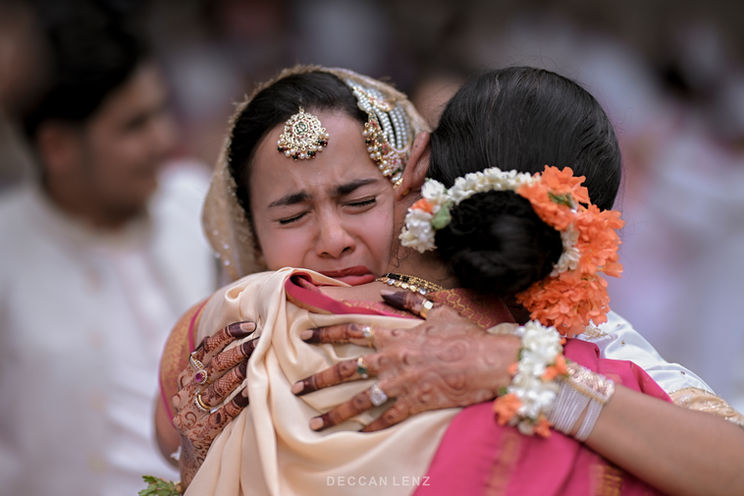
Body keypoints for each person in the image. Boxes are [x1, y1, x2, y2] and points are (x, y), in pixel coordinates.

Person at [158, 66, 744, 495]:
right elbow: (167, 438)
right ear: (250, 234)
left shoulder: (573, 335)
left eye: (360, 200)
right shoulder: (239, 332)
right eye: (291, 216)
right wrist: (203, 444)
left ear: (415, 183)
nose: (332, 238)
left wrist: (524, 372)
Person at [0, 3, 217, 494]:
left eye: (163, 110)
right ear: (57, 147)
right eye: (134, 126)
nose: (164, 139)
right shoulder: (6, 255)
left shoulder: (198, 203)